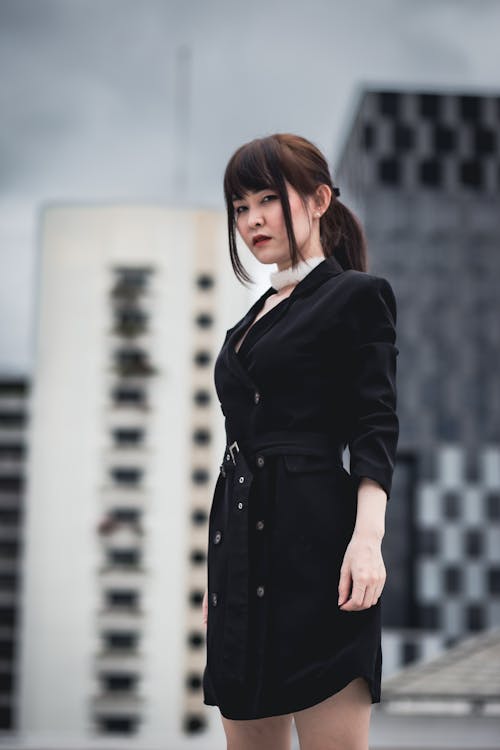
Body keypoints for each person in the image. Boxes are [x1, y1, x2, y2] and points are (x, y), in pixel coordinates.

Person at [201, 133, 399, 750]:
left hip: (319, 552)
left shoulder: (356, 296)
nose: (252, 219)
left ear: (318, 200)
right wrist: (217, 583)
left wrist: (368, 542)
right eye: (239, 205)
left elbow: (375, 425)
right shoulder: (249, 319)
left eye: (267, 198)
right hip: (239, 552)